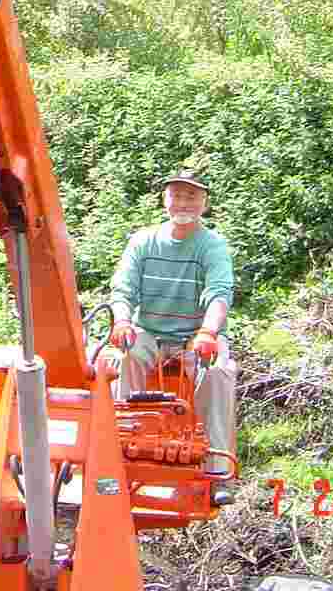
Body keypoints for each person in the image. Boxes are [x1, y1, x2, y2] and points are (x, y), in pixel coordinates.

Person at [108, 169, 237, 478]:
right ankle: (123, 454)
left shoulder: (212, 245)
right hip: (149, 331)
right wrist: (122, 320)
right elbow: (123, 289)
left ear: (204, 203)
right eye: (176, 195)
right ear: (165, 200)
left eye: (191, 196)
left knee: (218, 371)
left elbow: (219, 293)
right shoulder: (143, 241)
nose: (183, 202)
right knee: (124, 358)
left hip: (196, 334)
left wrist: (208, 332)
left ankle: (216, 470)